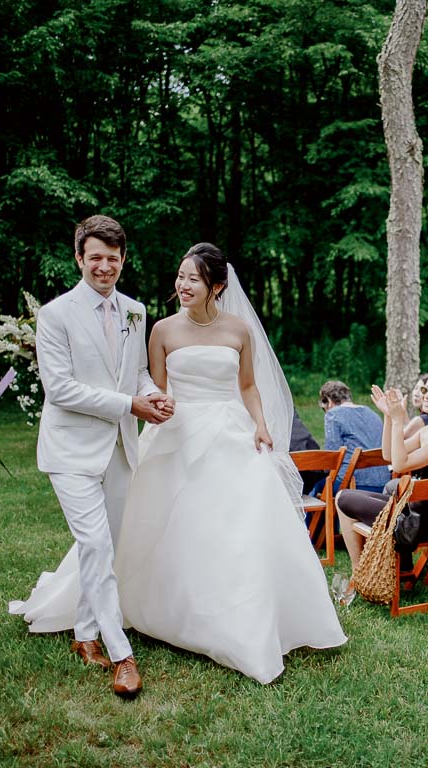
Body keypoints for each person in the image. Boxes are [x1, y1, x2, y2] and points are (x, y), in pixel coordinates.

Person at [111, 242, 345, 684]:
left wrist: (260, 424)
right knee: (166, 519)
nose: (182, 285)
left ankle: (241, 619)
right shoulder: (161, 330)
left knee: (235, 524)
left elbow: (249, 385)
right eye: (180, 277)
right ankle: (161, 606)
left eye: (193, 279)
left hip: (230, 429)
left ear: (216, 286)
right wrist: (158, 414)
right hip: (178, 431)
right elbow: (158, 387)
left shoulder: (238, 330)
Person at [9, 215, 173, 698]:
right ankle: (121, 654)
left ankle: (83, 635)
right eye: (95, 257)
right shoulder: (56, 315)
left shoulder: (135, 310)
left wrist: (154, 394)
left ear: (124, 259)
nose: (105, 267)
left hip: (121, 448)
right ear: (79, 258)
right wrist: (131, 404)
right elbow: (59, 390)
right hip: (72, 450)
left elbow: (137, 373)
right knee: (97, 546)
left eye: (113, 258)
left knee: (105, 547)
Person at [336, 370, 428, 571]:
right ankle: (365, 569)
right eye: (425, 390)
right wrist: (388, 416)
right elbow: (389, 455)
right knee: (346, 497)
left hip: (417, 524)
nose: (426, 396)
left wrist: (398, 421)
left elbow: (399, 465)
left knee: (342, 498)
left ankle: (358, 571)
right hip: (410, 510)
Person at [319, 380, 388, 493]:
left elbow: (331, 458)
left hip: (352, 484)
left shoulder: (333, 415)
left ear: (329, 401)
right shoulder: (372, 413)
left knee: (313, 486)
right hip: (383, 483)